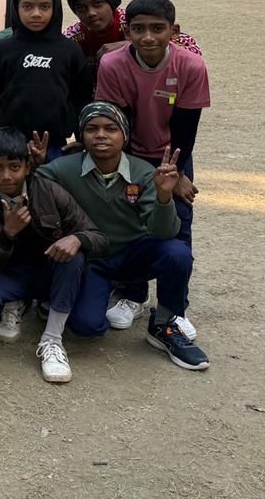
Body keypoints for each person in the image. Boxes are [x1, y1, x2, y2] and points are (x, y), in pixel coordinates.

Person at [37, 103, 210, 370]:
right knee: (86, 326)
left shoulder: (143, 172)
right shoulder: (64, 168)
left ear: (124, 136)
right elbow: (36, 182)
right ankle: (98, 293)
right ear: (81, 135)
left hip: (133, 254)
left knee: (176, 252)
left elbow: (164, 232)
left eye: (111, 128)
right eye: (92, 129)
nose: (101, 135)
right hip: (95, 261)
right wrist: (35, 163)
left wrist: (164, 196)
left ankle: (164, 324)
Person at [94, 0, 208, 333]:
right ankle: (132, 294)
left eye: (157, 29)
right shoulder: (112, 65)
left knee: (178, 226)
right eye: (138, 28)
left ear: (174, 31)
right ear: (126, 30)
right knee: (131, 221)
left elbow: (186, 128)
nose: (147, 37)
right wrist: (130, 169)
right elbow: (117, 123)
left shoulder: (190, 65)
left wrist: (177, 175)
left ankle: (175, 308)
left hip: (173, 157)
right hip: (129, 155)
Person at [0, 128, 107, 383]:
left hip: (50, 270)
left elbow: (97, 236)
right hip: (11, 274)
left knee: (73, 257)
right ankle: (17, 301)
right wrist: (6, 234)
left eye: (14, 167)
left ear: (27, 167)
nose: (6, 176)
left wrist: (77, 238)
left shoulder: (49, 191)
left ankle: (52, 339)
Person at [0, 0, 87, 161]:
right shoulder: (2, 50)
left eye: (44, 6)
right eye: (27, 6)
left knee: (50, 181)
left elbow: (81, 99)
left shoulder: (70, 50)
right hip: (8, 144)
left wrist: (82, 139)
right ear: (16, 8)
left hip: (55, 145)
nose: (36, 13)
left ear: (54, 8)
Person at [63, 0, 201, 102]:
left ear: (112, 3)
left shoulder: (135, 22)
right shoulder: (72, 38)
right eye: (81, 8)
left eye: (97, 4)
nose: (91, 13)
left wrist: (132, 46)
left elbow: (190, 49)